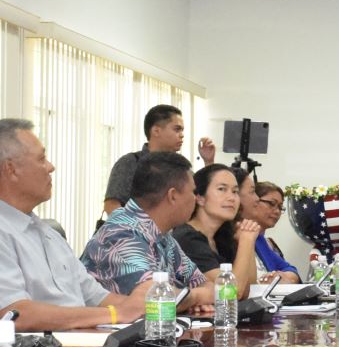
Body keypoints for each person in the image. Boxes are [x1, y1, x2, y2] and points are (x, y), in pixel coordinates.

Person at [0, 117, 153, 344]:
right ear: (11, 170)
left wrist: (144, 299)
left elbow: (98, 298)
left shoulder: (48, 233)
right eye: (42, 158)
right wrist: (114, 314)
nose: (51, 167)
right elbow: (15, 315)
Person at [83, 151, 217, 302]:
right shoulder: (122, 233)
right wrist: (197, 298)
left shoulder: (162, 235)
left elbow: (206, 285)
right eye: (193, 192)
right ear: (172, 195)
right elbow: (155, 299)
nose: (195, 198)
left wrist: (192, 298)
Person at [102, 104, 216, 216]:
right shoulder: (131, 162)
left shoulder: (181, 168)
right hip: (134, 233)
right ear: (156, 131)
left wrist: (208, 162)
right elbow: (112, 205)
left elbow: (201, 201)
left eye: (182, 130)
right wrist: (138, 232)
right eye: (177, 129)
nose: (182, 135)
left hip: (176, 234)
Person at [171, 163, 262, 290]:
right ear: (200, 198)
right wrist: (246, 241)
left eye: (235, 191)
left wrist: (248, 240)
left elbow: (249, 287)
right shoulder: (187, 238)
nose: (232, 198)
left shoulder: (222, 236)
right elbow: (232, 291)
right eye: (222, 189)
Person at [247, 179, 300, 278]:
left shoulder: (261, 240)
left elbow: (291, 270)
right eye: (271, 203)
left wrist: (282, 277)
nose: (277, 211)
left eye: (280, 207)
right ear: (254, 201)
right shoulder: (240, 236)